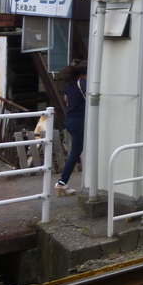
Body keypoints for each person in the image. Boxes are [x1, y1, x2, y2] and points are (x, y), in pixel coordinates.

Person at [55, 62, 87, 196]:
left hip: (70, 119)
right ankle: (62, 182)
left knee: (75, 151)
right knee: (75, 152)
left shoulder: (70, 84)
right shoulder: (83, 83)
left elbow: (66, 99)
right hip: (79, 120)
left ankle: (63, 183)